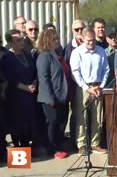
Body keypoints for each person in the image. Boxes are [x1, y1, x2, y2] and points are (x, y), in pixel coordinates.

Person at [70, 27, 109, 155]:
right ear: (83, 39)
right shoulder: (77, 53)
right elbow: (76, 73)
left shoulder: (101, 51)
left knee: (97, 117)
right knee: (82, 117)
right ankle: (82, 144)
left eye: (93, 41)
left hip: (98, 86)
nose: (91, 43)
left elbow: (106, 70)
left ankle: (95, 143)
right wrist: (87, 88)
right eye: (88, 41)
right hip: (83, 88)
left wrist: (101, 86)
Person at [1, 29, 38, 148]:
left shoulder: (27, 55)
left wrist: (34, 83)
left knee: (27, 126)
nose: (21, 41)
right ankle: (18, 158)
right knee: (17, 127)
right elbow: (10, 78)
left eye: (22, 39)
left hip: (29, 95)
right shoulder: (7, 58)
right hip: (15, 97)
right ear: (11, 43)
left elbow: (34, 72)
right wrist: (25, 87)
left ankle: (26, 149)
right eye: (18, 40)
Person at [37, 29, 70, 159]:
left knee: (61, 122)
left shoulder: (57, 54)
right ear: (47, 41)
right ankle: (52, 149)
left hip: (62, 96)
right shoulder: (44, 56)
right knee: (52, 123)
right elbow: (43, 78)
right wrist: (49, 97)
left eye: (57, 38)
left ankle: (58, 145)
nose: (57, 41)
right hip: (50, 97)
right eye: (54, 39)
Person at [63, 19, 86, 147]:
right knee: (76, 115)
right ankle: (74, 140)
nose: (79, 32)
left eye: (82, 29)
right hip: (75, 86)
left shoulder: (91, 44)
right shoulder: (69, 47)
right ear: (73, 31)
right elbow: (66, 68)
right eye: (77, 29)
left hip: (90, 86)